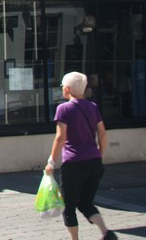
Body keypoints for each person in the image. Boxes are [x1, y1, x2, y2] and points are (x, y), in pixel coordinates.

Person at [45, 71, 116, 240]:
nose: (62, 88)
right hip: (94, 161)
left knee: (68, 206)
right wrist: (99, 154)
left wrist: (51, 162)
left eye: (62, 86)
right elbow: (103, 134)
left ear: (67, 89)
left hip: (73, 163)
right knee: (85, 203)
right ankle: (106, 233)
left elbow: (60, 138)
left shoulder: (63, 108)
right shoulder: (93, 106)